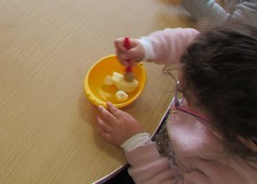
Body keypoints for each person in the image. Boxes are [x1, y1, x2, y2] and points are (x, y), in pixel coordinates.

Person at [97, 25, 257, 183]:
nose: (178, 86)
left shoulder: (229, 174)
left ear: (220, 123)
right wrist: (146, 47)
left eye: (186, 94)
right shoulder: (239, 61)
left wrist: (135, 143)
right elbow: (190, 43)